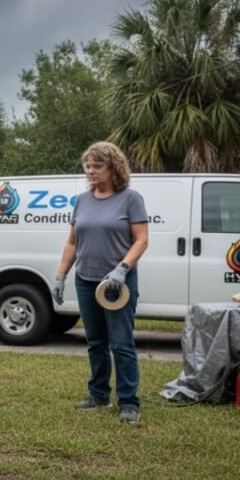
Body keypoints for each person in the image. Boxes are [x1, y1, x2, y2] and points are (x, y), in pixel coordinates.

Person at [51, 142, 149, 423]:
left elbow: (141, 240)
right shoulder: (83, 200)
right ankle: (98, 395)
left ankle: (128, 402)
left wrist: (122, 269)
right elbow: (72, 242)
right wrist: (61, 276)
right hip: (86, 280)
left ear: (114, 167)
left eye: (98, 165)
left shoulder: (130, 199)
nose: (91, 171)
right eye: (88, 166)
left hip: (117, 284)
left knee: (121, 343)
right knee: (96, 342)